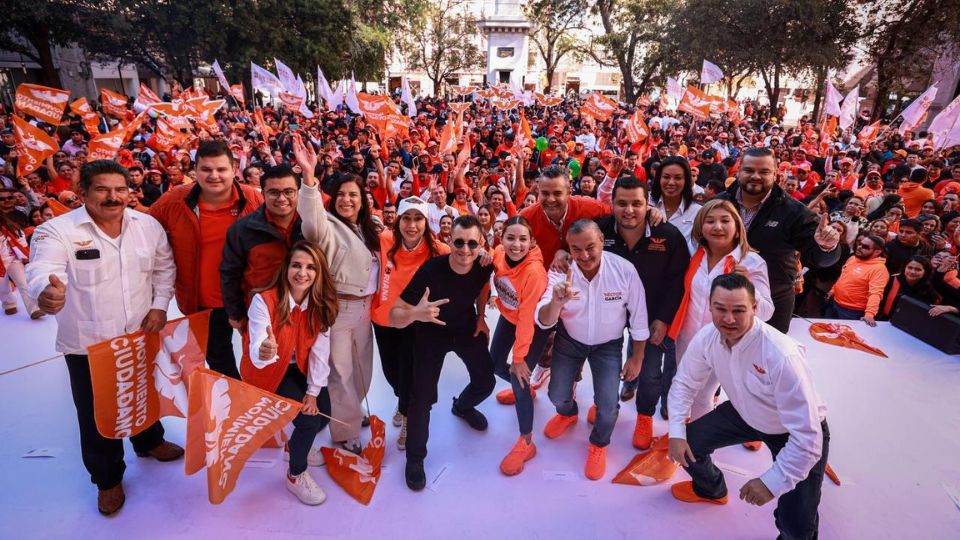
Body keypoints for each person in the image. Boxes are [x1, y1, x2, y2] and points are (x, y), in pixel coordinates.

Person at [26, 160, 182, 516]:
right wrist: (44, 293)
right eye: (102, 190)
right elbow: (43, 270)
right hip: (88, 343)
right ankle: (108, 479)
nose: (113, 197)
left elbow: (163, 268)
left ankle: (149, 441)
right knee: (97, 414)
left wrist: (160, 306)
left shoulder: (148, 226)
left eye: (120, 189)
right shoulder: (56, 231)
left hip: (141, 334)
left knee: (143, 391)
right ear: (82, 193)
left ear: (130, 191)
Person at [668, 273, 830, 540]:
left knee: (796, 524)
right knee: (688, 444)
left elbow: (809, 437)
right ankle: (712, 489)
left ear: (755, 309)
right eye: (720, 309)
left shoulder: (782, 354)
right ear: (710, 306)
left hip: (793, 431)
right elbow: (684, 383)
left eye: (739, 310)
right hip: (744, 413)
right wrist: (675, 431)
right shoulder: (707, 336)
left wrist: (771, 482)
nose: (728, 319)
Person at [535, 219, 649, 480]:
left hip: (608, 346)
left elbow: (639, 316)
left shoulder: (624, 270)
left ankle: (599, 444)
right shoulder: (559, 272)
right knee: (556, 395)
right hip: (569, 340)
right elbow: (543, 319)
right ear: (569, 249)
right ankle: (568, 414)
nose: (584, 256)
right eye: (576, 249)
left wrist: (637, 357)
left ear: (601, 242)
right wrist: (556, 301)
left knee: (608, 406)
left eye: (590, 247)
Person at [389, 215, 496, 491]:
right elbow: (394, 315)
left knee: (487, 381)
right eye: (459, 242)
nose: (465, 249)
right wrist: (416, 313)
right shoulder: (431, 271)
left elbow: (483, 286)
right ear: (449, 240)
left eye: (472, 243)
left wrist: (482, 314)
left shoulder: (484, 265)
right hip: (430, 333)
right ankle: (415, 458)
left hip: (465, 328)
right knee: (421, 398)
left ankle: (461, 406)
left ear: (481, 244)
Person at [150, 140, 263, 379]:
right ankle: (235, 405)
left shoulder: (254, 200)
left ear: (234, 169)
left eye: (221, 169)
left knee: (261, 353)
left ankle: (262, 403)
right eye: (206, 169)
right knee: (220, 359)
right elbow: (144, 234)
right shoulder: (172, 202)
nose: (214, 176)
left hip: (251, 297)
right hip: (202, 302)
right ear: (195, 170)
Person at [295, 135, 380, 455]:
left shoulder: (369, 227)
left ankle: (352, 412)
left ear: (362, 199)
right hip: (340, 310)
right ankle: (343, 432)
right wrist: (308, 176)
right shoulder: (326, 226)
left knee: (361, 370)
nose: (346, 200)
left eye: (353, 195)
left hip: (366, 310)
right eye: (341, 195)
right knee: (341, 373)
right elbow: (311, 219)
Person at [240, 241, 337, 506]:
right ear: (286, 268)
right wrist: (264, 350)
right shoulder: (264, 300)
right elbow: (257, 347)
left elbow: (319, 353)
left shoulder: (320, 306)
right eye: (296, 265)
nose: (302, 273)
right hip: (268, 370)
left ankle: (292, 448)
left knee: (322, 414)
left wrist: (313, 393)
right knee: (306, 420)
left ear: (318, 273)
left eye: (310, 267)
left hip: (297, 365)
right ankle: (296, 474)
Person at [596, 176, 690, 446]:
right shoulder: (600, 231)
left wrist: (664, 319)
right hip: (610, 313)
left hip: (651, 314)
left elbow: (678, 280)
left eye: (637, 203)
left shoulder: (668, 235)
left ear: (647, 204)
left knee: (650, 371)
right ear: (611, 204)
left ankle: (645, 416)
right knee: (604, 367)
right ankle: (603, 403)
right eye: (622, 203)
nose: (629, 210)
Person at [669, 199, 774, 422]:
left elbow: (766, 311)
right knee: (684, 388)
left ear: (737, 228)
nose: (717, 226)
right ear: (701, 228)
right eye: (710, 221)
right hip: (687, 338)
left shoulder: (751, 262)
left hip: (722, 342)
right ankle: (684, 437)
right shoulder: (693, 254)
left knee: (702, 397)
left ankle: (698, 450)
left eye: (725, 220)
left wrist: (747, 287)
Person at [716, 147, 841, 333]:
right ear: (739, 171)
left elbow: (821, 259)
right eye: (749, 170)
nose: (755, 176)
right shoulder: (718, 204)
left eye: (764, 171)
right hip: (721, 297)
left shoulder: (794, 212)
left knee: (764, 359)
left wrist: (827, 246)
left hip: (774, 299)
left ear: (776, 174)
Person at [371, 196, 450, 450]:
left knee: (410, 372)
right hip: (385, 319)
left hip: (417, 323)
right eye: (407, 218)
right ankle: (401, 399)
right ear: (398, 221)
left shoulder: (439, 250)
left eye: (418, 219)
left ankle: (407, 414)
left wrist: (482, 252)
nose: (412, 225)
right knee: (392, 372)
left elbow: (465, 255)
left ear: (426, 223)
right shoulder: (384, 241)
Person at [489, 216, 551, 475]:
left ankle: (526, 441)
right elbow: (490, 258)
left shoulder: (534, 273)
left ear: (531, 241)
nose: (516, 244)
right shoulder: (499, 253)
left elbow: (527, 319)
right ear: (501, 238)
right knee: (493, 363)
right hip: (508, 316)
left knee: (519, 374)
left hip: (533, 325)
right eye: (510, 238)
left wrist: (519, 358)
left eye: (523, 239)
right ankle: (525, 390)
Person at [219, 165, 304, 331]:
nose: (282, 198)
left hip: (304, 311)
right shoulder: (242, 229)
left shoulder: (311, 225)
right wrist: (235, 313)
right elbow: (230, 274)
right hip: (261, 313)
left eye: (288, 192)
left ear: (298, 192)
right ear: (263, 193)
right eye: (274, 192)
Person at [825, 235, 889, 326]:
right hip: (834, 304)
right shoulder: (853, 258)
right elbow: (843, 277)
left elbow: (875, 293)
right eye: (860, 244)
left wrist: (870, 314)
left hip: (852, 312)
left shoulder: (879, 269)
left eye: (865, 247)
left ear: (877, 252)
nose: (859, 247)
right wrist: (833, 290)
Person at [648, 155, 702, 251]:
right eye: (666, 177)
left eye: (678, 178)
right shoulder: (645, 203)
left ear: (686, 180)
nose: (671, 182)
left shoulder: (698, 212)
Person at [0, 213, 42, 318]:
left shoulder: (9, 226)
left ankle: (34, 308)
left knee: (24, 283)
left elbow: (20, 240)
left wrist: (23, 250)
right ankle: (9, 304)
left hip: (13, 259)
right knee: (2, 287)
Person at [878, 255, 939, 320]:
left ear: (925, 272)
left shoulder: (930, 291)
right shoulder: (891, 280)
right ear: (904, 268)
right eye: (910, 268)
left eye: (918, 269)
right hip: (883, 321)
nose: (912, 272)